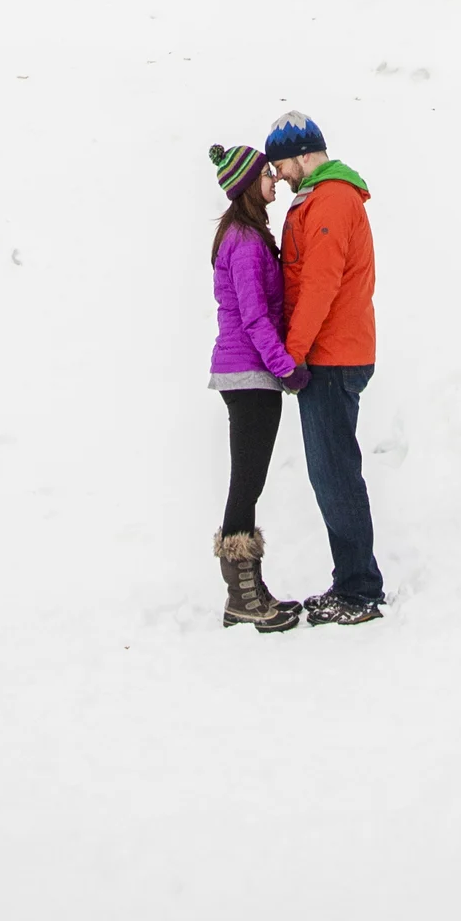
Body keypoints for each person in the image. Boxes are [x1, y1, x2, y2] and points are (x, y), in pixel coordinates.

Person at [266, 109, 384, 624]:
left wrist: (292, 354)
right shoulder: (318, 198)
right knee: (331, 472)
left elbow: (320, 284)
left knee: (336, 475)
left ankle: (359, 591)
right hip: (331, 353)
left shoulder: (331, 198)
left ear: (305, 154)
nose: (280, 174)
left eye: (282, 163)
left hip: (333, 356)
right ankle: (351, 583)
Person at [206, 143, 303, 632]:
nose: (273, 180)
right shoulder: (244, 242)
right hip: (249, 374)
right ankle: (240, 596)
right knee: (246, 481)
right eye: (266, 175)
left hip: (249, 372)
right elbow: (254, 316)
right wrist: (285, 367)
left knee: (251, 480)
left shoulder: (248, 235)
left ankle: (250, 590)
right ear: (247, 186)